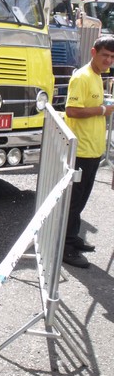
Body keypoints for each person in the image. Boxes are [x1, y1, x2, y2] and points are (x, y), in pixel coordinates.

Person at [62, 35, 114, 268]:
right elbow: (71, 110)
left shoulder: (97, 75)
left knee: (80, 200)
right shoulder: (81, 76)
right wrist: (102, 110)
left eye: (112, 57)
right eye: (105, 55)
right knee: (73, 202)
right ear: (93, 52)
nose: (108, 60)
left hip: (92, 150)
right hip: (81, 150)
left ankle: (72, 238)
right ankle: (66, 248)